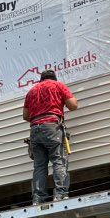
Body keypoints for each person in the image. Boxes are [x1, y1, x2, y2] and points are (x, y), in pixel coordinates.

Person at [23, 69, 78, 203]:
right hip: (52, 126)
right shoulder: (58, 85)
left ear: (41, 79)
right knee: (59, 161)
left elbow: (25, 116)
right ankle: (60, 194)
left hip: (35, 129)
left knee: (39, 166)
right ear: (54, 78)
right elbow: (73, 105)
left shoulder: (32, 91)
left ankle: (38, 198)